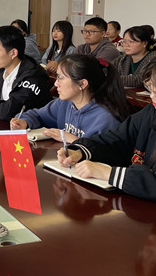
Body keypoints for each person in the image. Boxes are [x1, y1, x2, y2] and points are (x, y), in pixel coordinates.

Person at [57, 62, 156, 202]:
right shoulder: (150, 112)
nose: (151, 97)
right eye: (151, 90)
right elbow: (114, 140)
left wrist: (109, 173)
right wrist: (79, 152)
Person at [11, 54, 128, 143]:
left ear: (82, 84)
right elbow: (37, 115)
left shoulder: (105, 119)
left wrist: (73, 139)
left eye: (61, 78)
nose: (56, 83)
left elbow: (104, 156)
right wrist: (25, 122)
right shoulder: (64, 103)